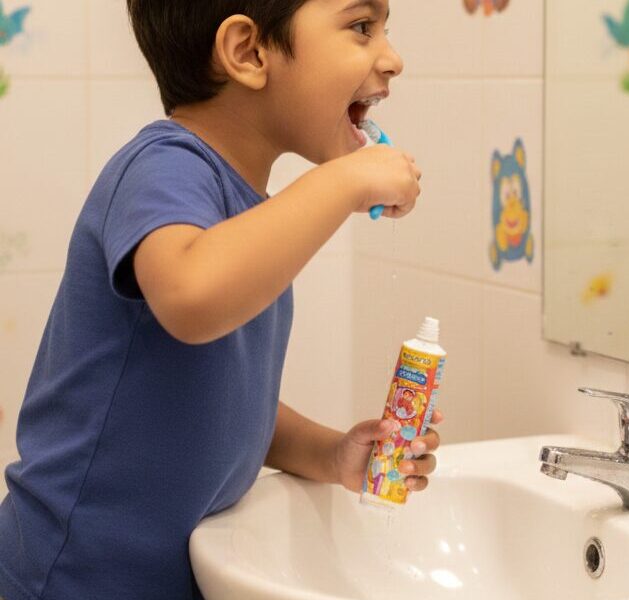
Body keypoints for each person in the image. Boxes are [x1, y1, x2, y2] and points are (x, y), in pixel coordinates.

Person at [0, 1, 436, 598]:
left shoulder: (247, 214)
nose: (393, 58)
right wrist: (347, 179)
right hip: (71, 577)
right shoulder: (162, 166)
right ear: (248, 53)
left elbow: (225, 402)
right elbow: (191, 298)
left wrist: (332, 455)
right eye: (362, 27)